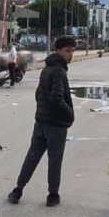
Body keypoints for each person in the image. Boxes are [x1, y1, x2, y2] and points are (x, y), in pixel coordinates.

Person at [8, 37, 76, 207]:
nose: (71, 54)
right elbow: (56, 99)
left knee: (32, 156)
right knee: (54, 160)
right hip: (55, 125)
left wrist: (42, 113)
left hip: (41, 122)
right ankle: (53, 195)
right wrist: (69, 116)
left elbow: (39, 95)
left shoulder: (47, 69)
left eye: (73, 51)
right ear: (58, 50)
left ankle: (18, 190)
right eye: (68, 50)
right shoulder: (59, 71)